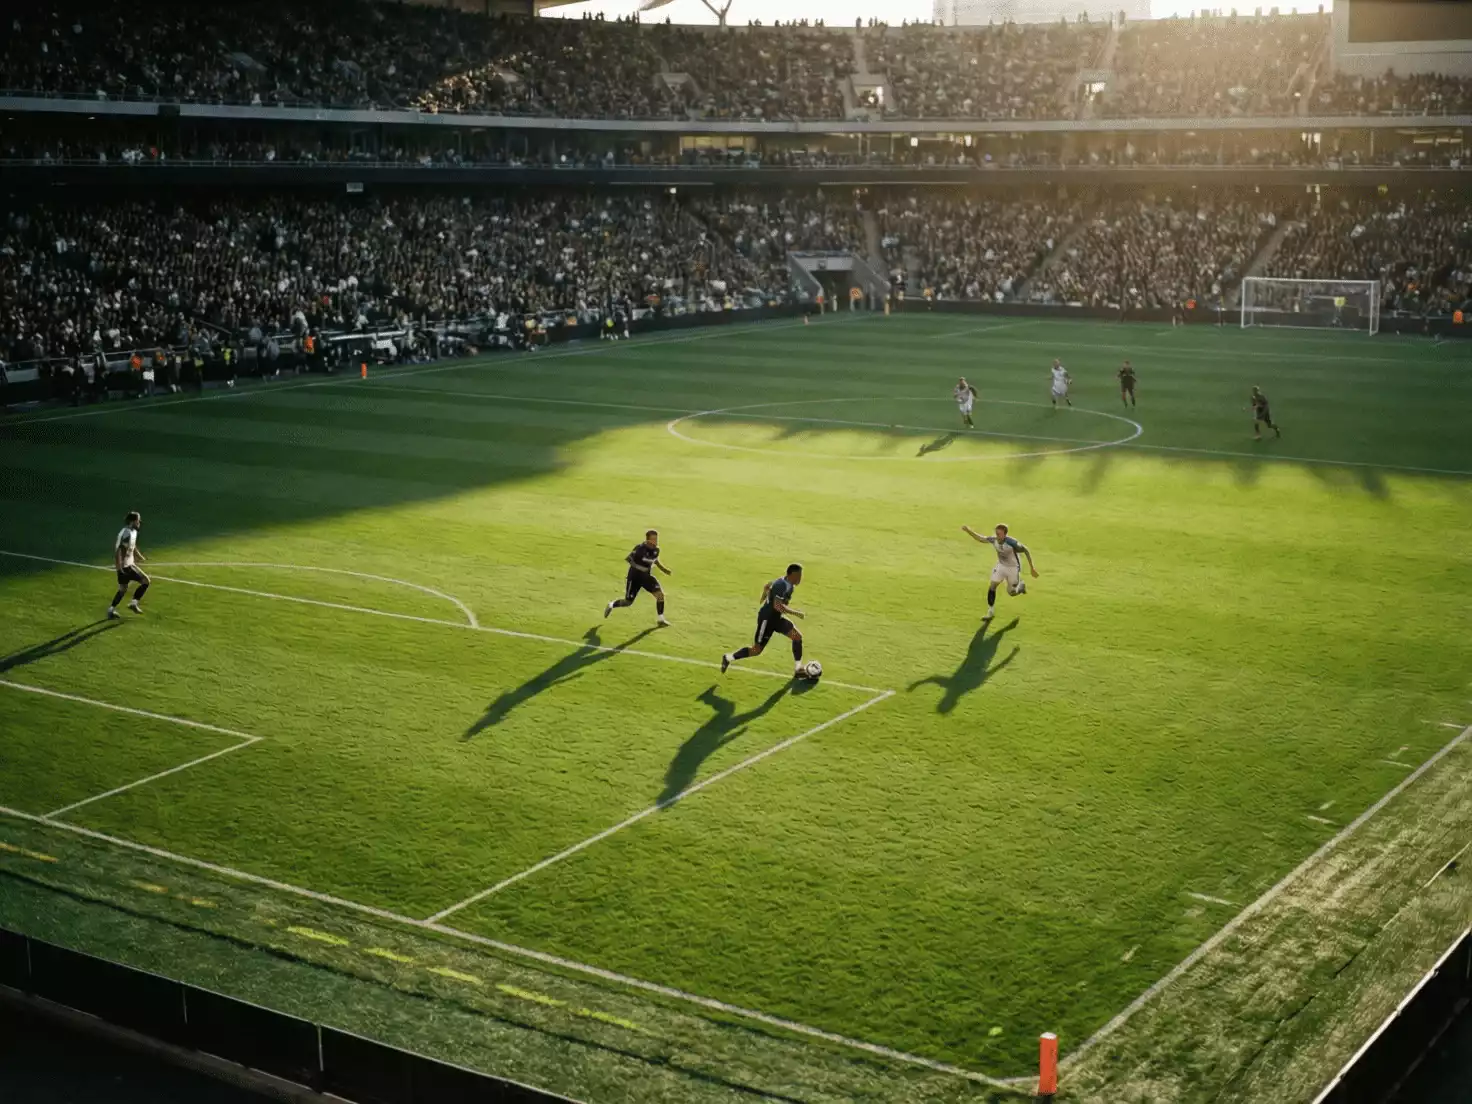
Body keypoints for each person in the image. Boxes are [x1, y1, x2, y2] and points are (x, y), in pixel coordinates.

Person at [721, 563, 809, 679]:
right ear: (791, 575)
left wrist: (764, 597)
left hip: (776, 618)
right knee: (756, 650)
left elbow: (768, 585)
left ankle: (798, 669)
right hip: (767, 620)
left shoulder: (788, 584)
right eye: (798, 576)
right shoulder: (781, 585)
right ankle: (728, 658)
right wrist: (796, 613)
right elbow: (778, 606)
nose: (800, 579)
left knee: (797, 637)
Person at [961, 523, 1037, 622]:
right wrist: (968, 531)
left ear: (1005, 534)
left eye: (999, 534)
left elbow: (1025, 550)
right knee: (992, 586)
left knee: (1011, 593)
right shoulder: (994, 540)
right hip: (1001, 566)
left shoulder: (1012, 543)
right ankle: (990, 612)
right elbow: (981, 539)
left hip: (1013, 568)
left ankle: (1020, 587)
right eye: (996, 533)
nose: (997, 536)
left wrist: (1032, 568)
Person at [605, 529, 671, 627]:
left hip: (647, 578)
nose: (656, 541)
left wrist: (664, 569)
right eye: (653, 539)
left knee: (660, 595)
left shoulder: (656, 549)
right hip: (635, 578)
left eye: (656, 538)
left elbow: (655, 560)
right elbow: (629, 559)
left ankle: (661, 619)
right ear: (648, 540)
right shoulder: (640, 548)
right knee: (628, 602)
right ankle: (612, 604)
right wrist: (641, 568)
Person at [108, 511, 150, 618]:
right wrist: (120, 566)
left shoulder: (133, 532)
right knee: (146, 581)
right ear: (132, 521)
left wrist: (139, 556)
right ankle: (133, 603)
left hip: (126, 565)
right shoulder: (126, 533)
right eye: (138, 521)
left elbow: (133, 545)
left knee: (123, 589)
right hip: (126, 566)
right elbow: (120, 550)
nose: (139, 523)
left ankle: (111, 610)